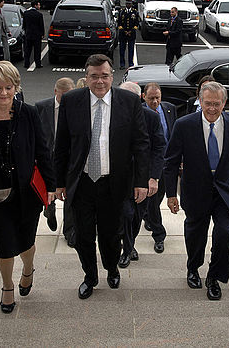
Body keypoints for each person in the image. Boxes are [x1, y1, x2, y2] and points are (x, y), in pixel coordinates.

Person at [0, 61, 56, 313]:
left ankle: (28, 268)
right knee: (3, 244)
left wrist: (50, 185)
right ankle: (7, 286)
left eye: (8, 87)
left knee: (25, 243)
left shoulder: (29, 113)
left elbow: (42, 151)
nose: (3, 93)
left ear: (16, 87)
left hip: (26, 192)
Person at [54, 54, 149, 300]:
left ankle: (111, 267)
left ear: (112, 76)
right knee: (83, 236)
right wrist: (59, 182)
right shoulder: (71, 101)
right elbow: (62, 144)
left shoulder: (129, 101)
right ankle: (90, 276)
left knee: (110, 235)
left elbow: (141, 144)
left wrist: (141, 181)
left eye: (104, 76)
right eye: (94, 76)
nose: (99, 81)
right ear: (86, 78)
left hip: (114, 183)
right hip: (82, 182)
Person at [164, 81, 229, 301]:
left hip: (225, 191)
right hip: (195, 191)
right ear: (200, 101)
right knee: (195, 234)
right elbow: (170, 162)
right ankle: (193, 268)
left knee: (223, 233)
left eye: (216, 104)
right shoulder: (184, 125)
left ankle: (214, 277)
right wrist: (171, 194)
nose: (212, 108)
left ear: (224, 103)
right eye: (207, 103)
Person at [118, 81, 165, 268]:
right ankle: (127, 249)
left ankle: (129, 244)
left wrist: (154, 177)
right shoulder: (112, 116)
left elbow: (159, 147)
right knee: (126, 214)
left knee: (137, 215)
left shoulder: (151, 118)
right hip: (118, 177)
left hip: (142, 177)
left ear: (138, 98)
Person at [35, 77, 76, 244]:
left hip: (69, 159)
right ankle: (49, 210)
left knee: (70, 195)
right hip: (48, 158)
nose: (66, 99)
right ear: (55, 92)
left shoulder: (77, 108)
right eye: (63, 96)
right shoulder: (41, 107)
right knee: (49, 192)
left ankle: (69, 231)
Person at [141, 82, 176, 252]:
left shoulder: (169, 108)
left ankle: (147, 215)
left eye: (158, 98)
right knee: (153, 201)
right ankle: (159, 234)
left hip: (168, 162)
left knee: (160, 195)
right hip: (150, 164)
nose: (155, 101)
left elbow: (174, 135)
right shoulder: (140, 113)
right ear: (143, 97)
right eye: (151, 98)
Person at [23, 0, 44, 69]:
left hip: (28, 34)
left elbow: (24, 24)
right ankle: (38, 63)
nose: (39, 6)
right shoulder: (39, 15)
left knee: (27, 50)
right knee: (37, 50)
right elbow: (41, 25)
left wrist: (26, 31)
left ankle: (26, 63)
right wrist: (42, 33)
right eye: (38, 5)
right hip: (37, 35)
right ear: (35, 5)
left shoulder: (26, 13)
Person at [117, 0, 138, 70]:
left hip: (131, 34)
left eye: (130, 4)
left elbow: (136, 24)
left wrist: (130, 31)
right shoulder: (122, 12)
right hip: (123, 34)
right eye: (127, 4)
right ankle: (122, 64)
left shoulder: (135, 12)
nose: (128, 5)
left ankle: (131, 64)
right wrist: (124, 31)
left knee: (131, 50)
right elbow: (119, 23)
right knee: (122, 50)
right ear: (125, 4)